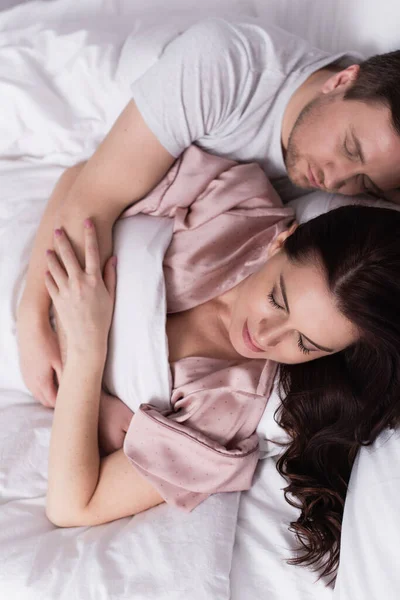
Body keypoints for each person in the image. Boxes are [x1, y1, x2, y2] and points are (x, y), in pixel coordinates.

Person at [42, 147, 400, 581]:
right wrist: (34, 330)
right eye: (277, 300)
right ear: (280, 242)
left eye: (305, 343)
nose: (265, 337)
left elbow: (73, 504)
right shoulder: (233, 206)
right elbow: (80, 180)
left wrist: (85, 350)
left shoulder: (228, 404)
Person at [16, 17, 400, 408]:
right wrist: (33, 321)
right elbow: (91, 196)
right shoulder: (225, 67)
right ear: (341, 80)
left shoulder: (368, 186)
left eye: (365, 183)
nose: (338, 181)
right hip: (114, 92)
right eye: (350, 149)